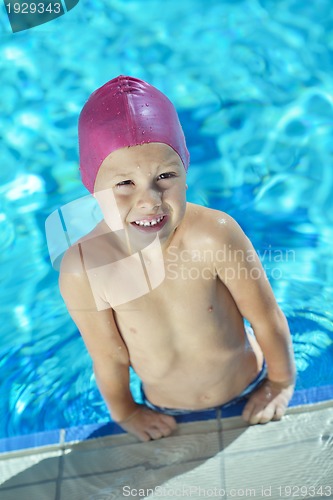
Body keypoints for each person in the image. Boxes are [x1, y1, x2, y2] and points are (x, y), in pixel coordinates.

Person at [59, 75, 296, 442]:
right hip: (165, 407)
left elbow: (266, 318)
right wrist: (127, 413)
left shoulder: (215, 233)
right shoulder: (85, 268)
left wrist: (280, 381)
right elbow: (109, 356)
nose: (149, 200)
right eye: (124, 184)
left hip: (251, 380)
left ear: (186, 169)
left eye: (165, 176)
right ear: (91, 186)